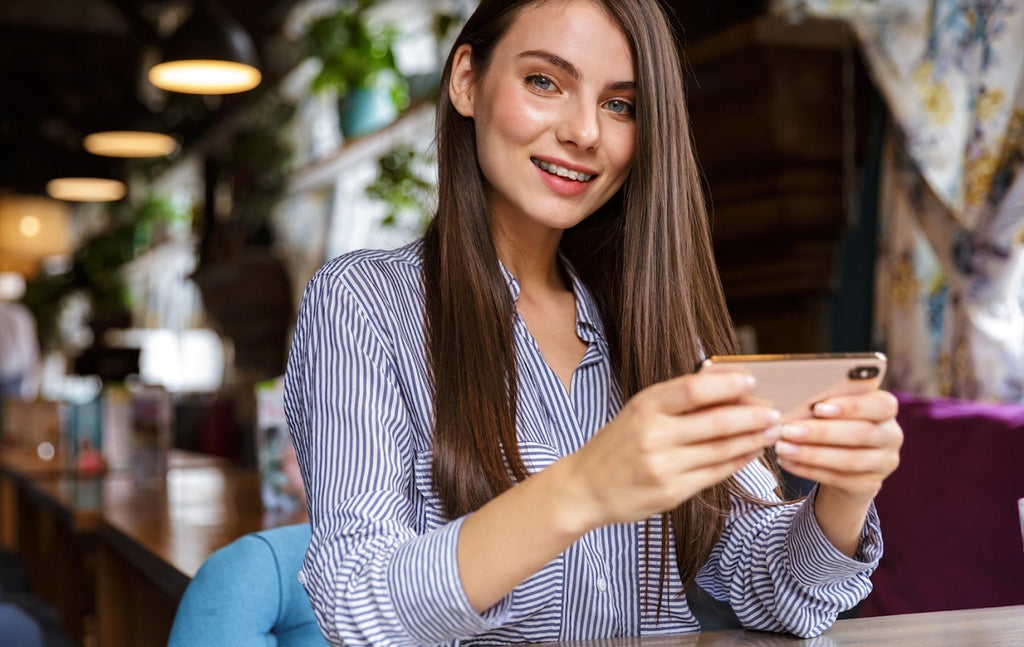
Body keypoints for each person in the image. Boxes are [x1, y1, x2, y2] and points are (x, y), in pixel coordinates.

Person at [283, 0, 904, 644]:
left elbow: (773, 596)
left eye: (620, 105)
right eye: (544, 81)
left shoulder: (651, 324)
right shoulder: (364, 303)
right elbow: (355, 603)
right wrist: (582, 487)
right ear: (466, 81)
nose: (585, 132)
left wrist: (845, 494)